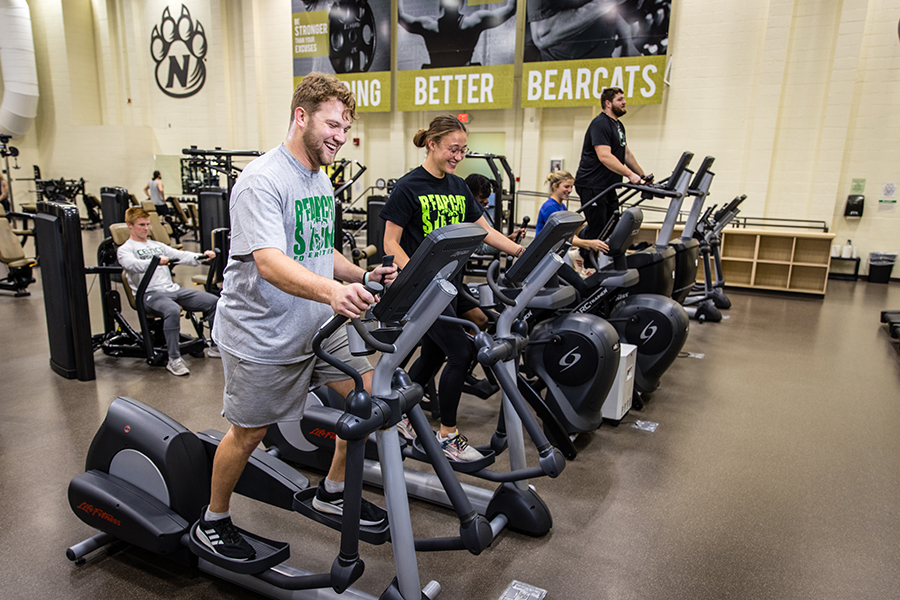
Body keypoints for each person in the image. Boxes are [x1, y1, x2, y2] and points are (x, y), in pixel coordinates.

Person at [195, 73, 397, 561]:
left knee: (369, 401)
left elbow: (317, 251)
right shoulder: (262, 180)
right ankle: (213, 520)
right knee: (250, 434)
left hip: (315, 326)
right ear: (301, 116)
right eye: (332, 124)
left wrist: (363, 276)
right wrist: (333, 291)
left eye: (346, 128)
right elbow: (269, 261)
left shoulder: (318, 179)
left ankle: (330, 493)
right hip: (262, 333)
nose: (340, 137)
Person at [381, 115, 524, 462]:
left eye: (463, 150)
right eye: (452, 149)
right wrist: (415, 275)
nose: (458, 156)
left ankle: (400, 412)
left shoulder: (458, 187)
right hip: (426, 290)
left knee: (436, 352)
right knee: (461, 352)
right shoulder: (408, 187)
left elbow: (484, 230)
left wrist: (520, 251)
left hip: (451, 284)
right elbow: (390, 241)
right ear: (432, 144)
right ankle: (447, 435)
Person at [117, 206, 219, 376]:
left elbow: (180, 255)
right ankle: (174, 360)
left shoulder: (157, 245)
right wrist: (155, 262)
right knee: (171, 310)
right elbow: (131, 265)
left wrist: (201, 256)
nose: (146, 228)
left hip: (172, 289)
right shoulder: (125, 249)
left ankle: (215, 346)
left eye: (148, 224)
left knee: (214, 302)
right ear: (130, 225)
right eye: (141, 224)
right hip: (149, 294)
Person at [575, 86, 651, 246]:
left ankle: (584, 256)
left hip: (608, 185)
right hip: (592, 184)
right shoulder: (600, 123)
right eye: (620, 100)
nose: (624, 102)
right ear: (608, 103)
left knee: (613, 224)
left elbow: (626, 154)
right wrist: (630, 175)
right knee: (598, 229)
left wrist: (642, 176)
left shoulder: (618, 126)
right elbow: (604, 156)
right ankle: (584, 259)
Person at [535, 170, 609, 298]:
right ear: (555, 186)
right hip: (545, 258)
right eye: (566, 186)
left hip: (554, 256)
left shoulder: (561, 206)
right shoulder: (550, 208)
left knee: (576, 287)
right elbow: (562, 236)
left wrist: (585, 244)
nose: (569, 190)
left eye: (571, 187)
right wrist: (589, 243)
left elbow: (567, 235)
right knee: (580, 286)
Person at [399, 0, 516, 68]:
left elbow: (400, 16)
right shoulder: (473, 22)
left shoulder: (428, 25)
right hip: (464, 82)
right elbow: (510, 9)